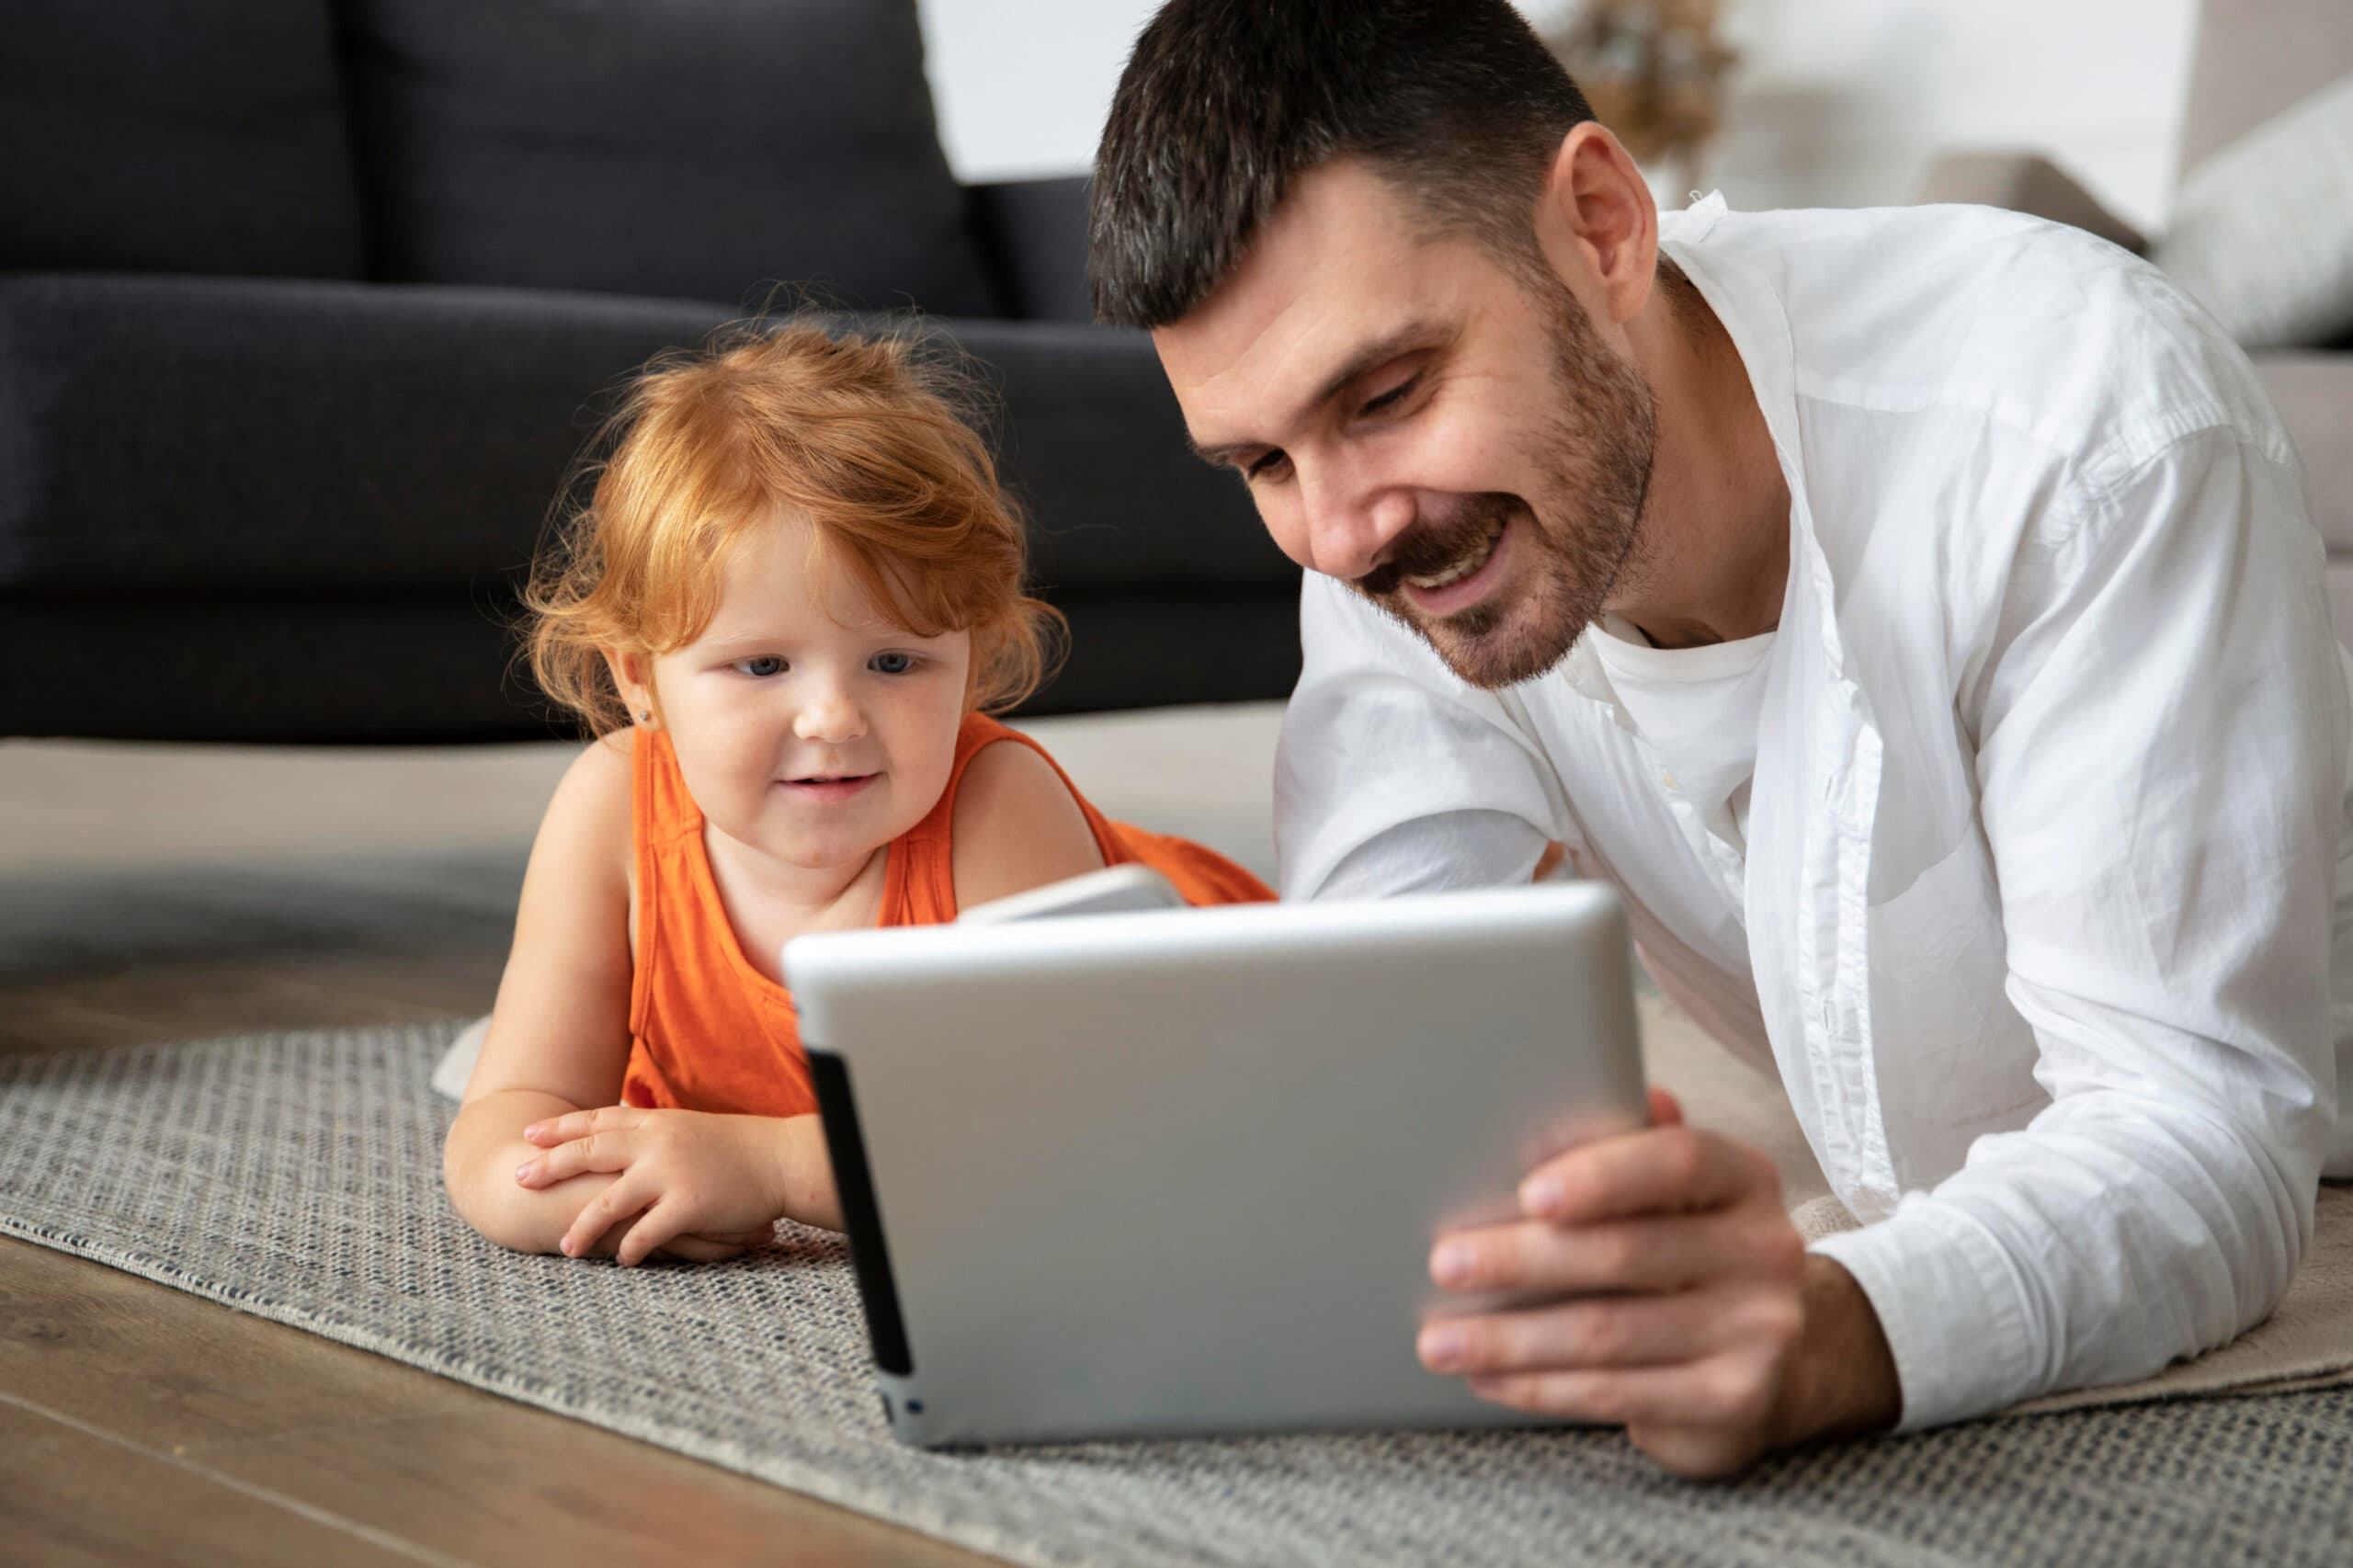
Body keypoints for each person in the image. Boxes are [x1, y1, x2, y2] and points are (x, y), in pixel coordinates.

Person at [1089, 0, 2353, 1476]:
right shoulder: (1390, 537)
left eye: (1388, 394)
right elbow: (1382, 1035)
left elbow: (2198, 1130)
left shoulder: (2079, 426)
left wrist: (1835, 1331)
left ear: (1603, 228)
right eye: (1261, 460)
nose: (1339, 531)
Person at [442, 322, 1272, 1267]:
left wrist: (772, 1165)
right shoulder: (610, 806)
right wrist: (582, 1192)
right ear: (640, 679)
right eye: (763, 664)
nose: (834, 717)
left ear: (968, 660)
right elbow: (506, 1124)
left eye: (895, 661)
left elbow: (1060, 1138)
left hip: (1233, 1015)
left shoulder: (998, 808)